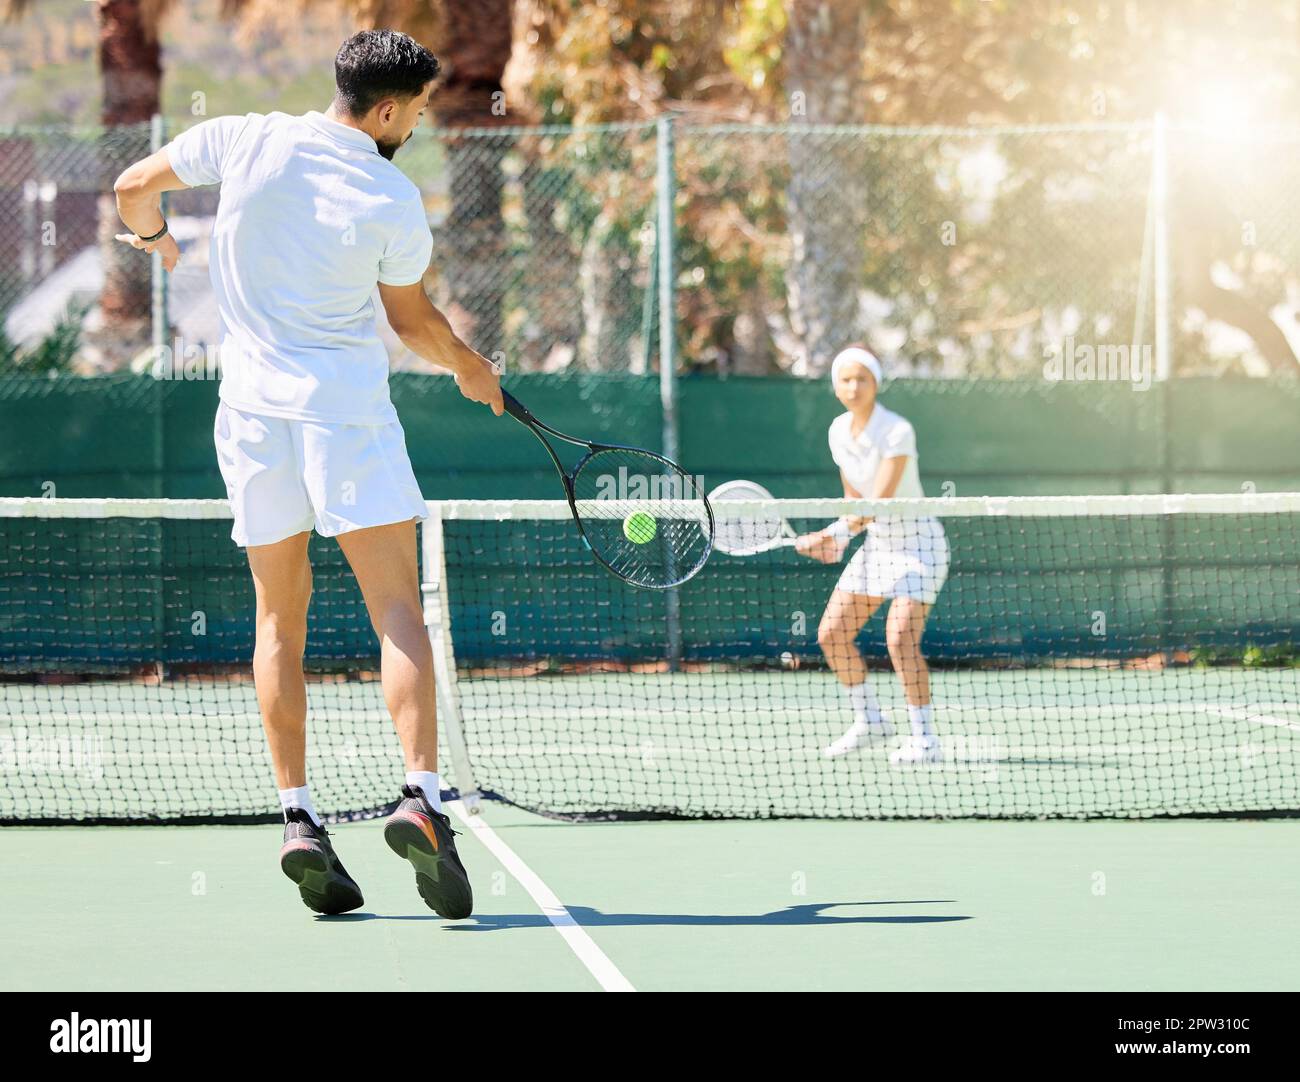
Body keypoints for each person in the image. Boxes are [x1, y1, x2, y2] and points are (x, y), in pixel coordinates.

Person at [112, 29, 502, 917]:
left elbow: (134, 188)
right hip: (345, 418)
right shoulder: (392, 196)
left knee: (279, 618)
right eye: (423, 111)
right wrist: (472, 367)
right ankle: (420, 797)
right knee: (396, 608)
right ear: (393, 109)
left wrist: (160, 244)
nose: (424, 125)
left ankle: (297, 817)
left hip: (249, 419)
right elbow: (413, 325)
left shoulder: (244, 136)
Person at [795, 346, 949, 766]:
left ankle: (924, 739)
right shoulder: (837, 432)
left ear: (876, 383)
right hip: (878, 547)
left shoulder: (897, 430)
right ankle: (870, 720)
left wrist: (829, 533)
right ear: (835, 386)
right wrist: (840, 540)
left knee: (900, 638)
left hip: (919, 546)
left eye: (862, 378)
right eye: (845, 379)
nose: (854, 386)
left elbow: (878, 502)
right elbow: (855, 498)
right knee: (831, 636)